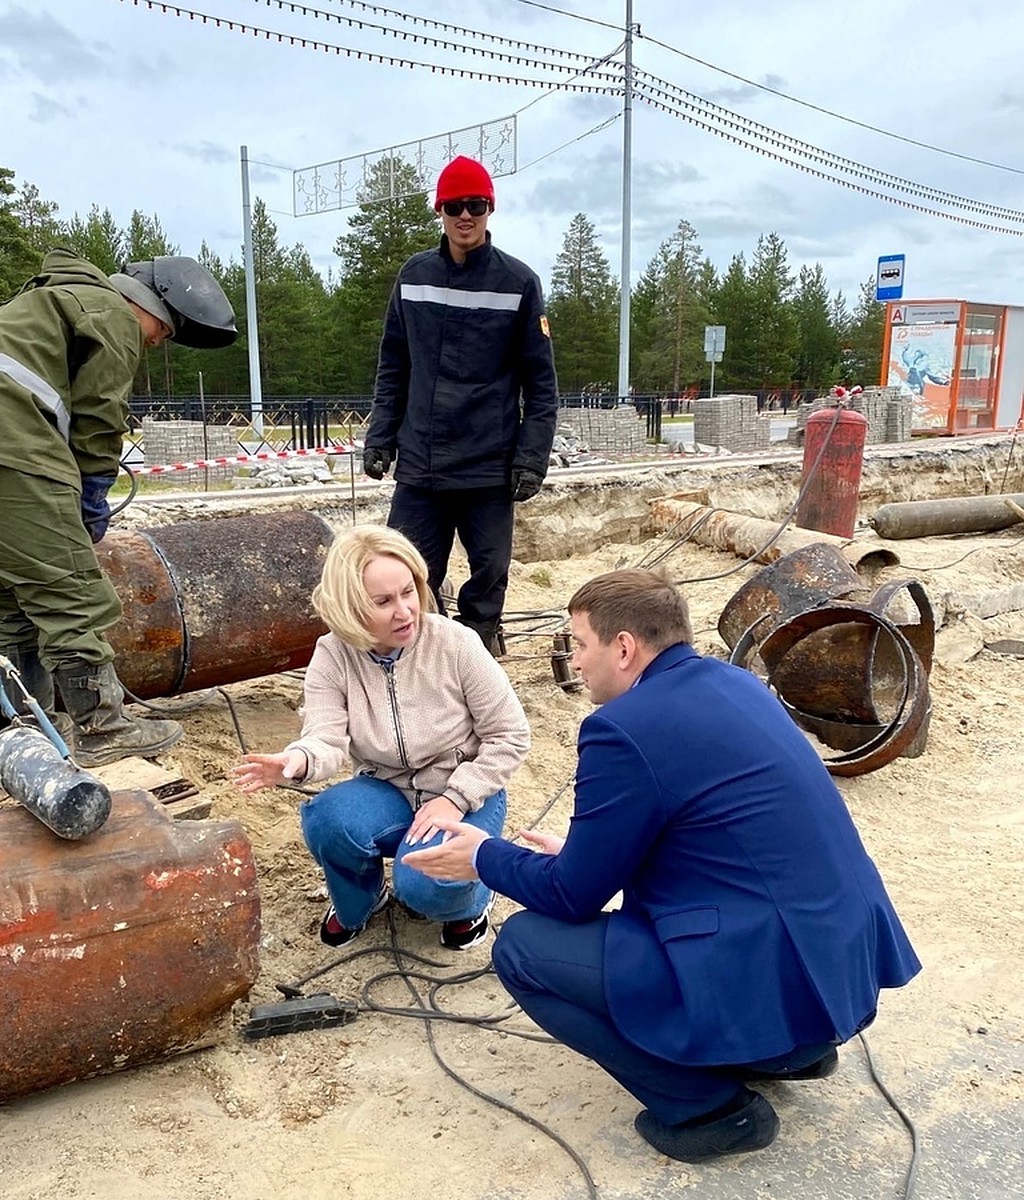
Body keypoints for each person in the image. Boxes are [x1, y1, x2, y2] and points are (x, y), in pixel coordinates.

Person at [405, 569, 921, 1163]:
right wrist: (572, 859)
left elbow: (573, 899)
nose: (575, 662)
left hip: (772, 971)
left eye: (579, 644)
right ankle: (790, 1051)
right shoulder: (737, 683)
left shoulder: (620, 729)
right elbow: (712, 838)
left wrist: (483, 857)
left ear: (623, 648)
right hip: (836, 974)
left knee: (523, 949)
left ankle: (708, 1109)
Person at [0, 248, 238, 767]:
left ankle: (30, 728)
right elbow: (101, 416)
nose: (156, 341)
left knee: (4, 591)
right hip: (7, 443)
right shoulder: (110, 312)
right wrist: (92, 490)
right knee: (69, 591)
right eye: (165, 331)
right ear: (152, 303)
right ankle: (101, 727)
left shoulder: (47, 302)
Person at [231, 524, 530, 951]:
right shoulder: (332, 654)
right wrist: (294, 762)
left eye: (409, 592)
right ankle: (361, 899)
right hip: (386, 786)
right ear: (351, 608)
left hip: (463, 788)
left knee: (425, 887)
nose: (405, 611)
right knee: (329, 819)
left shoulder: (455, 643)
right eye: (383, 602)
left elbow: (511, 735)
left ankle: (472, 901)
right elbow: (326, 737)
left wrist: (456, 797)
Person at [362, 155, 559, 655]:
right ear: (440, 211)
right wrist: (380, 437)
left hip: (487, 467)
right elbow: (394, 367)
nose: (464, 216)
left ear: (489, 209)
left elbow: (541, 385)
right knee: (406, 569)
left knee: (489, 573)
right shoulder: (414, 276)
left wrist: (530, 459)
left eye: (474, 205)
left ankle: (479, 652)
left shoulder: (518, 283)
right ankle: (418, 657)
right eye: (454, 206)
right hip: (422, 466)